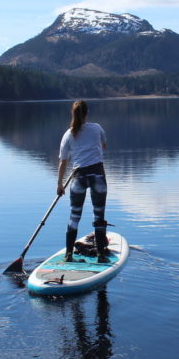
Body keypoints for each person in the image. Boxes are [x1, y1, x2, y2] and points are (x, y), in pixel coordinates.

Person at [57, 100, 109, 263]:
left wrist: (59, 184)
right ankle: (101, 254)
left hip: (78, 177)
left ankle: (68, 254)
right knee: (99, 215)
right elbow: (104, 145)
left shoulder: (68, 134)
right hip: (97, 175)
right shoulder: (97, 128)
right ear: (87, 113)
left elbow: (63, 161)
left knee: (74, 216)